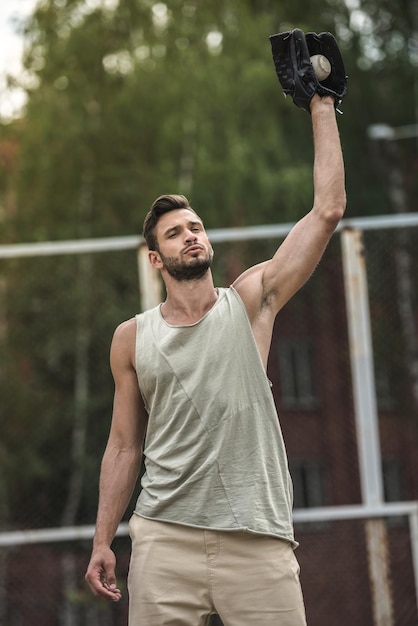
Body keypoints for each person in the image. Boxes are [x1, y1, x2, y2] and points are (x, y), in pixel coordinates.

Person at [85, 93, 346, 625]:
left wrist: (321, 105)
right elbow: (122, 445)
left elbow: (328, 211)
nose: (191, 236)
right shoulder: (132, 339)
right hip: (164, 538)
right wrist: (102, 540)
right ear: (157, 258)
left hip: (256, 536)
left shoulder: (251, 301)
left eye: (196, 227)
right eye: (176, 233)